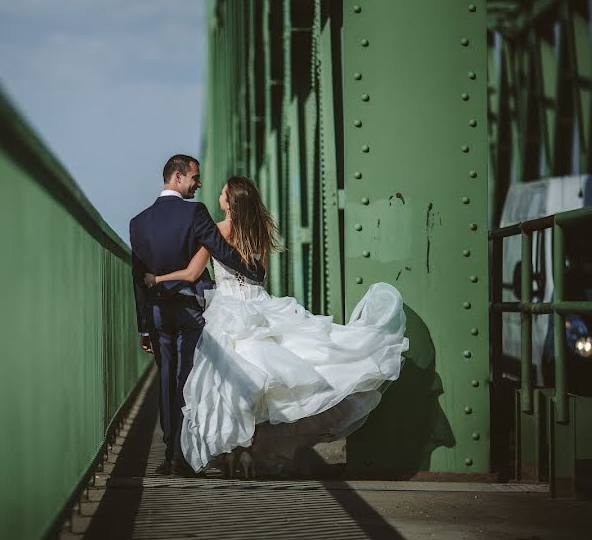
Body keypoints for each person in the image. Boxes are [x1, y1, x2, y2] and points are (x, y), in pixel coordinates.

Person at [144, 176, 409, 478]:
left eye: (222, 193)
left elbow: (192, 273)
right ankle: (247, 455)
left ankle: (235, 453)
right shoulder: (258, 234)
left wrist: (158, 279)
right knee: (267, 376)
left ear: (229, 202)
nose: (218, 195)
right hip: (259, 306)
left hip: (227, 310)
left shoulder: (216, 231)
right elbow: (261, 279)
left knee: (229, 382)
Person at [130, 156, 264, 476]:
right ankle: (183, 452)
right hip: (190, 309)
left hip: (158, 312)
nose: (199, 184)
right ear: (178, 177)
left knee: (166, 378)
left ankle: (170, 455)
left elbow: (138, 278)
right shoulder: (195, 212)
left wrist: (143, 326)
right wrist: (253, 273)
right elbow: (222, 250)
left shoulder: (138, 222)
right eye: (195, 177)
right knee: (187, 379)